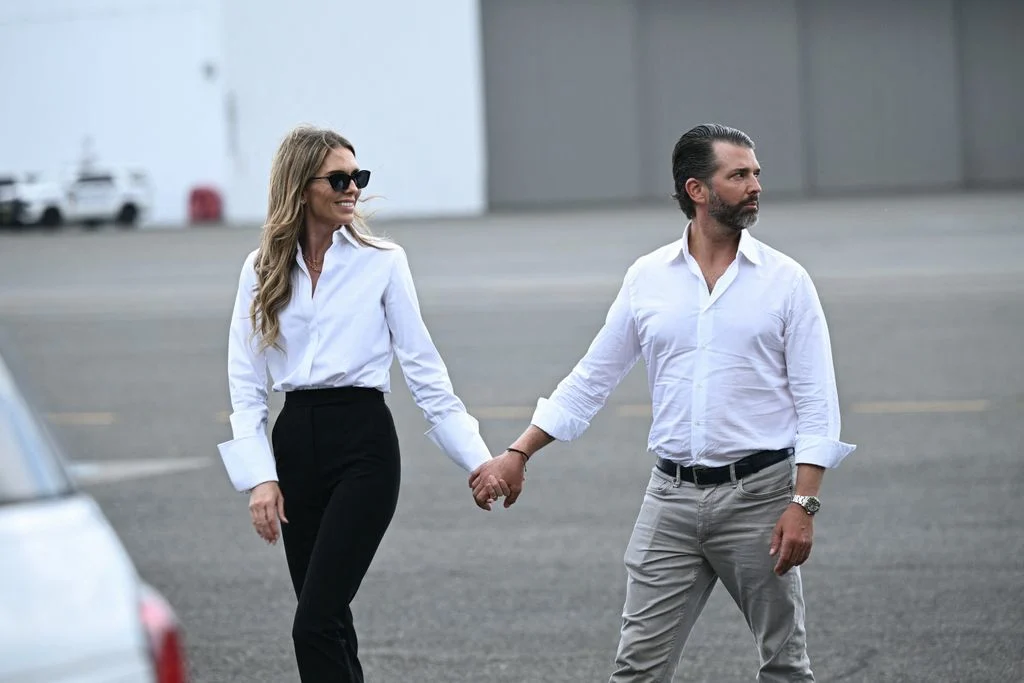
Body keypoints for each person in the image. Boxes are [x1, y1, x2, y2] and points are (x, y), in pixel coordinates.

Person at [470, 123, 856, 682]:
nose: (755, 186)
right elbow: (591, 379)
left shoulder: (787, 281)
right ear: (697, 190)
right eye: (739, 175)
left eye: (756, 174)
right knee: (636, 670)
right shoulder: (647, 277)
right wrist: (519, 452)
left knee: (785, 667)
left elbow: (818, 403)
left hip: (760, 500)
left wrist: (804, 503)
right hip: (670, 500)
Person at [217, 125, 507, 682]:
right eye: (339, 179)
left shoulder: (384, 261)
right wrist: (260, 478)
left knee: (313, 623)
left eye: (359, 177)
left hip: (364, 447)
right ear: (301, 186)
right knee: (330, 621)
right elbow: (245, 385)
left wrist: (479, 461)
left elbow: (426, 374)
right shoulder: (260, 269)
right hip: (295, 445)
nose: (353, 188)